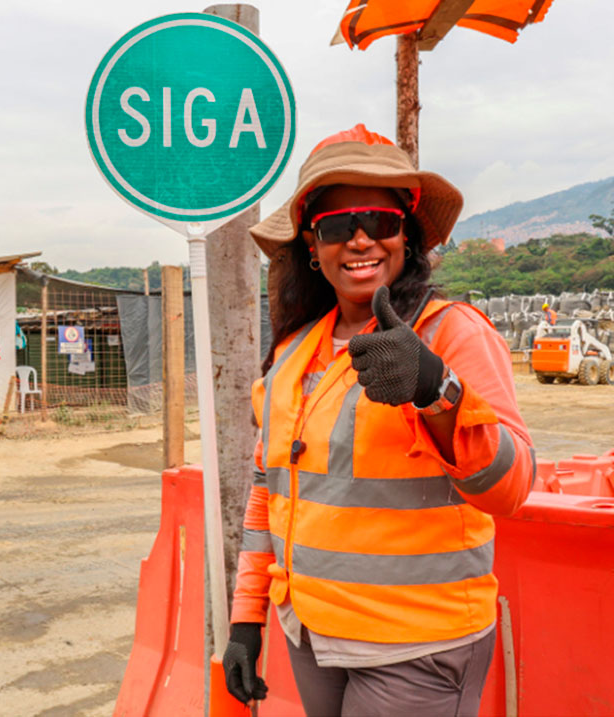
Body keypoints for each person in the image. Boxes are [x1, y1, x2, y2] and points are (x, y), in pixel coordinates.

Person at [221, 125, 535, 716]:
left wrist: (436, 390)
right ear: (312, 246)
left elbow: (512, 488)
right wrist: (247, 617)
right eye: (338, 226)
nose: (361, 239)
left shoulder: (452, 333)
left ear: (406, 237)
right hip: (313, 634)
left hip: (417, 643)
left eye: (380, 222)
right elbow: (270, 490)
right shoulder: (294, 352)